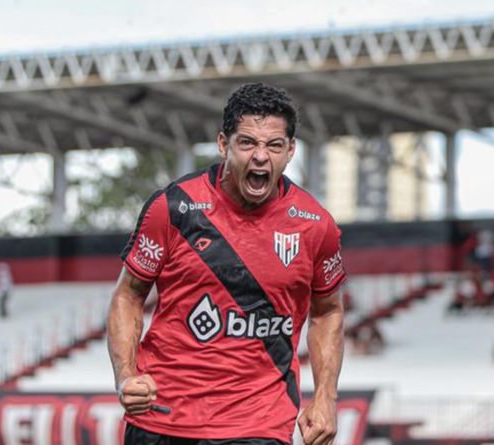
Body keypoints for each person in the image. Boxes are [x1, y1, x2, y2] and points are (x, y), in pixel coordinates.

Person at [107, 83, 346, 445]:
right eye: (247, 142)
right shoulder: (173, 208)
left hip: (258, 423)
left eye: (274, 145)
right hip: (162, 418)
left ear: (291, 150)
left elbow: (327, 312)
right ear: (223, 144)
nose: (260, 157)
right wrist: (125, 375)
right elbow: (128, 295)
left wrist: (326, 396)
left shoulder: (315, 225)